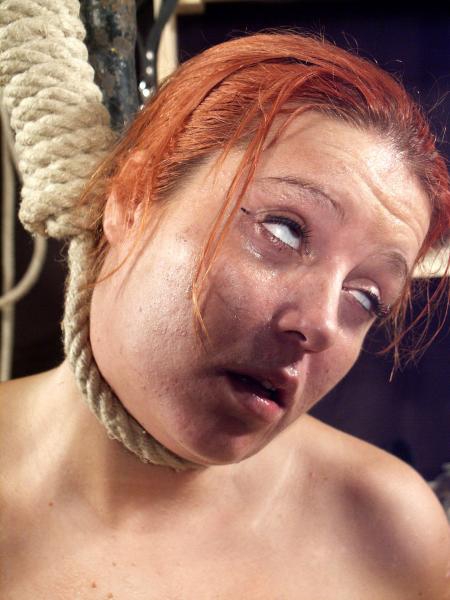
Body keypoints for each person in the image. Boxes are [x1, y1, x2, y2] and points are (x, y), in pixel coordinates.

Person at [1, 32, 449, 599]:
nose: (320, 324)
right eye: (283, 230)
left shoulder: (391, 531)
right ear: (134, 198)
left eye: (364, 298)